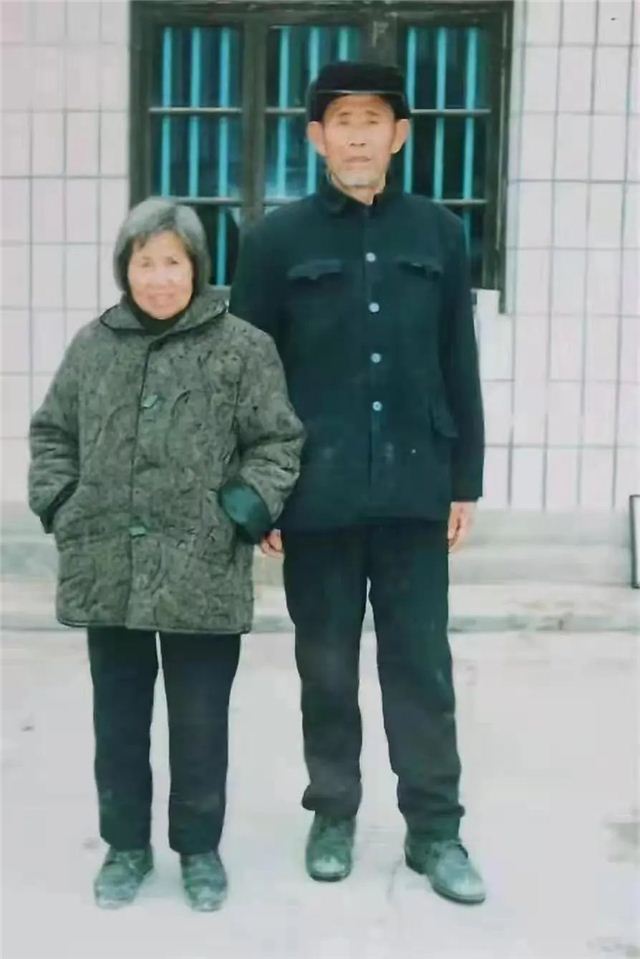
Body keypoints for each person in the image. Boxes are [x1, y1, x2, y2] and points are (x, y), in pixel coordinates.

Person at [230, 61, 486, 904]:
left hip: (415, 488)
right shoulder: (275, 240)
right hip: (317, 495)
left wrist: (465, 479)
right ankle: (333, 812)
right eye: (342, 121)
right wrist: (260, 487)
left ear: (399, 135)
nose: (358, 136)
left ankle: (435, 830)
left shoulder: (439, 233)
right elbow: (250, 374)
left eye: (373, 120)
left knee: (422, 669)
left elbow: (458, 358)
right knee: (327, 669)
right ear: (316, 137)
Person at [28, 198, 304, 912]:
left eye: (172, 263)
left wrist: (243, 509)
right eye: (144, 263)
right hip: (107, 567)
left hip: (201, 564)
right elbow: (53, 431)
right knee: (118, 720)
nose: (158, 278)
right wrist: (63, 503)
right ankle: (125, 846)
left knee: (199, 721)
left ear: (197, 268)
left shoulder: (242, 347)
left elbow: (278, 441)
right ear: (125, 270)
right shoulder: (94, 345)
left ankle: (199, 849)